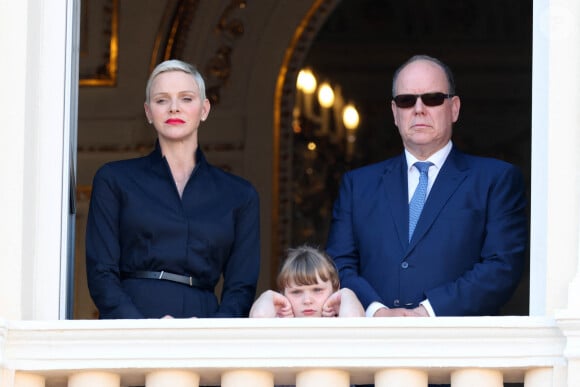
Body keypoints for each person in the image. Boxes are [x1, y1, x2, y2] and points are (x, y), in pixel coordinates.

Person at [326, 54, 528, 317]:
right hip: (373, 344)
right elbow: (338, 265)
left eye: (432, 99)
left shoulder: (496, 179)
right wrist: (376, 312)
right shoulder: (358, 185)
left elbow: (501, 267)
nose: (419, 109)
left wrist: (427, 311)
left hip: (462, 347)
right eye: (406, 100)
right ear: (395, 113)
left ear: (454, 108)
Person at [85, 59, 260, 319]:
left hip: (205, 329)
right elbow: (101, 273)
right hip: (130, 325)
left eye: (186, 99)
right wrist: (141, 329)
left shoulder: (239, 195)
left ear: (204, 109)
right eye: (162, 100)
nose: (174, 108)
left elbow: (241, 288)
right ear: (148, 111)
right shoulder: (114, 179)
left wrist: (210, 335)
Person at [250, 245, 364, 318]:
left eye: (317, 290)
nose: (307, 300)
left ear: (335, 290)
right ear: (283, 295)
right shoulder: (280, 321)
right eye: (296, 292)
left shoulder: (341, 317)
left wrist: (347, 293)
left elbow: (353, 320)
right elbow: (259, 317)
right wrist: (267, 295)